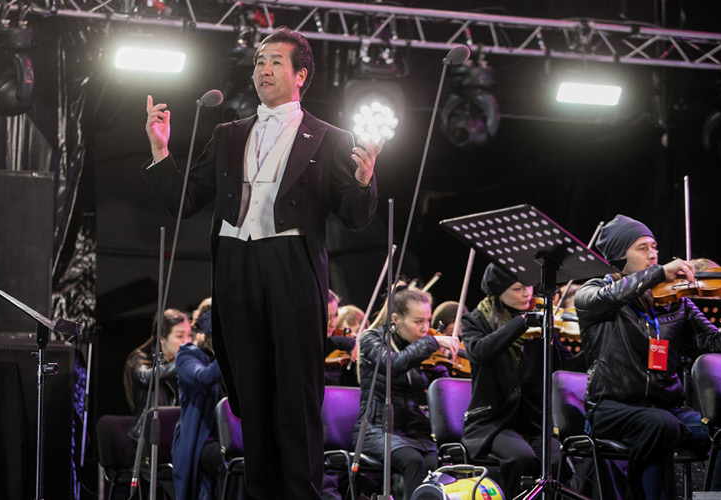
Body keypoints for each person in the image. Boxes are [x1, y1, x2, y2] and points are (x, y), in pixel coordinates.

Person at [142, 27, 380, 499]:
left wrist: (363, 180)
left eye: (275, 61)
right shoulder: (228, 134)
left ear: (300, 75)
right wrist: (160, 149)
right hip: (236, 264)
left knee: (295, 397)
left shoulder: (329, 138)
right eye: (258, 61)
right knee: (251, 395)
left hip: (291, 266)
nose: (263, 70)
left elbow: (354, 217)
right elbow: (186, 199)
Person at [576, 214, 721, 499]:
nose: (653, 255)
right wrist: (660, 272)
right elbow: (610, 297)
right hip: (611, 408)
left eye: (654, 247)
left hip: (666, 409)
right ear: (619, 255)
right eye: (642, 248)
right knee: (660, 425)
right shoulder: (593, 293)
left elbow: (715, 347)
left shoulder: (676, 302)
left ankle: (716, 498)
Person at [460, 263, 576, 496]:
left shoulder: (542, 319)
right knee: (521, 458)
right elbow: (480, 352)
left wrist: (595, 342)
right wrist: (521, 322)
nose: (527, 294)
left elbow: (567, 365)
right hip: (493, 421)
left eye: (529, 286)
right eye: (517, 288)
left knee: (556, 461)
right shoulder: (475, 320)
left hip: (533, 420)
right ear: (498, 293)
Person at [354, 282, 460, 500]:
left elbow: (432, 391)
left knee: (438, 463)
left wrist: (444, 370)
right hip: (376, 430)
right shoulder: (371, 339)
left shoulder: (419, 347)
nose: (425, 328)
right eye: (418, 322)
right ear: (395, 319)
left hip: (413, 433)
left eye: (428, 321)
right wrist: (431, 343)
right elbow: (393, 364)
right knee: (412, 461)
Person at [173, 309, 226, 500]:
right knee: (226, 460)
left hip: (228, 438)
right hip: (201, 441)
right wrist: (229, 349)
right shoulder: (187, 356)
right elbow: (203, 377)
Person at [123, 308, 193, 442]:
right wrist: (180, 364)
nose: (187, 342)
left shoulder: (180, 364)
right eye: (180, 336)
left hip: (176, 436)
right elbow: (144, 377)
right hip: (148, 440)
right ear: (162, 339)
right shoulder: (141, 358)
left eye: (189, 335)